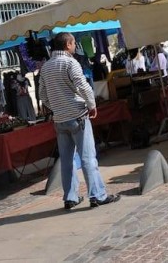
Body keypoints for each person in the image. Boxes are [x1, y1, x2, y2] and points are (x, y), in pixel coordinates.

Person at [38, 32, 120, 210]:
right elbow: (83, 86)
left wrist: (55, 107)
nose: (75, 46)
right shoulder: (70, 62)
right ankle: (97, 195)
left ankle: (70, 197)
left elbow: (42, 95)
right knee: (88, 157)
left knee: (67, 160)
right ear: (68, 44)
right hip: (77, 116)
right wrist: (92, 105)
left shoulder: (46, 67)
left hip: (60, 119)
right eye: (74, 43)